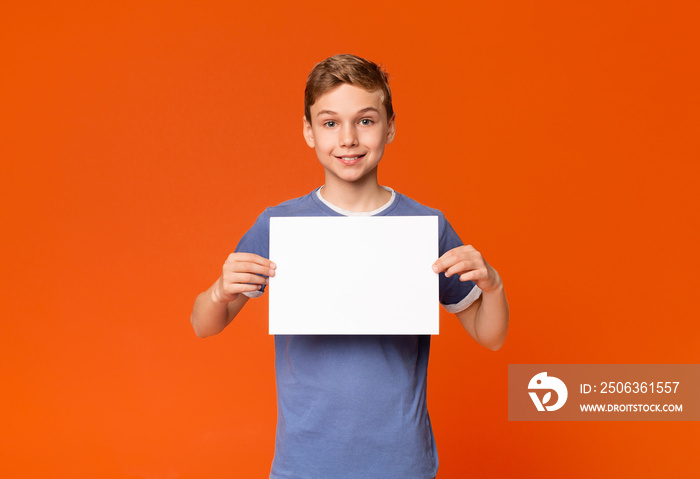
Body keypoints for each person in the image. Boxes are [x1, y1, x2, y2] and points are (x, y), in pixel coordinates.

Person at [190, 54, 509, 479]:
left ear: (390, 126)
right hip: (304, 465)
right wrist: (219, 291)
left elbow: (490, 335)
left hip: (402, 465)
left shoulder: (424, 226)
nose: (348, 138)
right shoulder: (280, 225)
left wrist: (494, 285)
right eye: (329, 123)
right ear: (308, 132)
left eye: (365, 120)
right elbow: (204, 325)